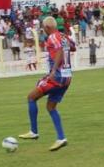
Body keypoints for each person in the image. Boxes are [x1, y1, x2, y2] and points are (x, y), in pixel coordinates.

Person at [19, 16, 75, 151]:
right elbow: (72, 47)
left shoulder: (53, 37)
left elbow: (61, 50)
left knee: (31, 97)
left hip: (58, 75)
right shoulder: (63, 36)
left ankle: (34, 131)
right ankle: (61, 138)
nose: (43, 30)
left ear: (47, 27)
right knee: (51, 107)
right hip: (67, 77)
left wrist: (54, 69)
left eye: (44, 28)